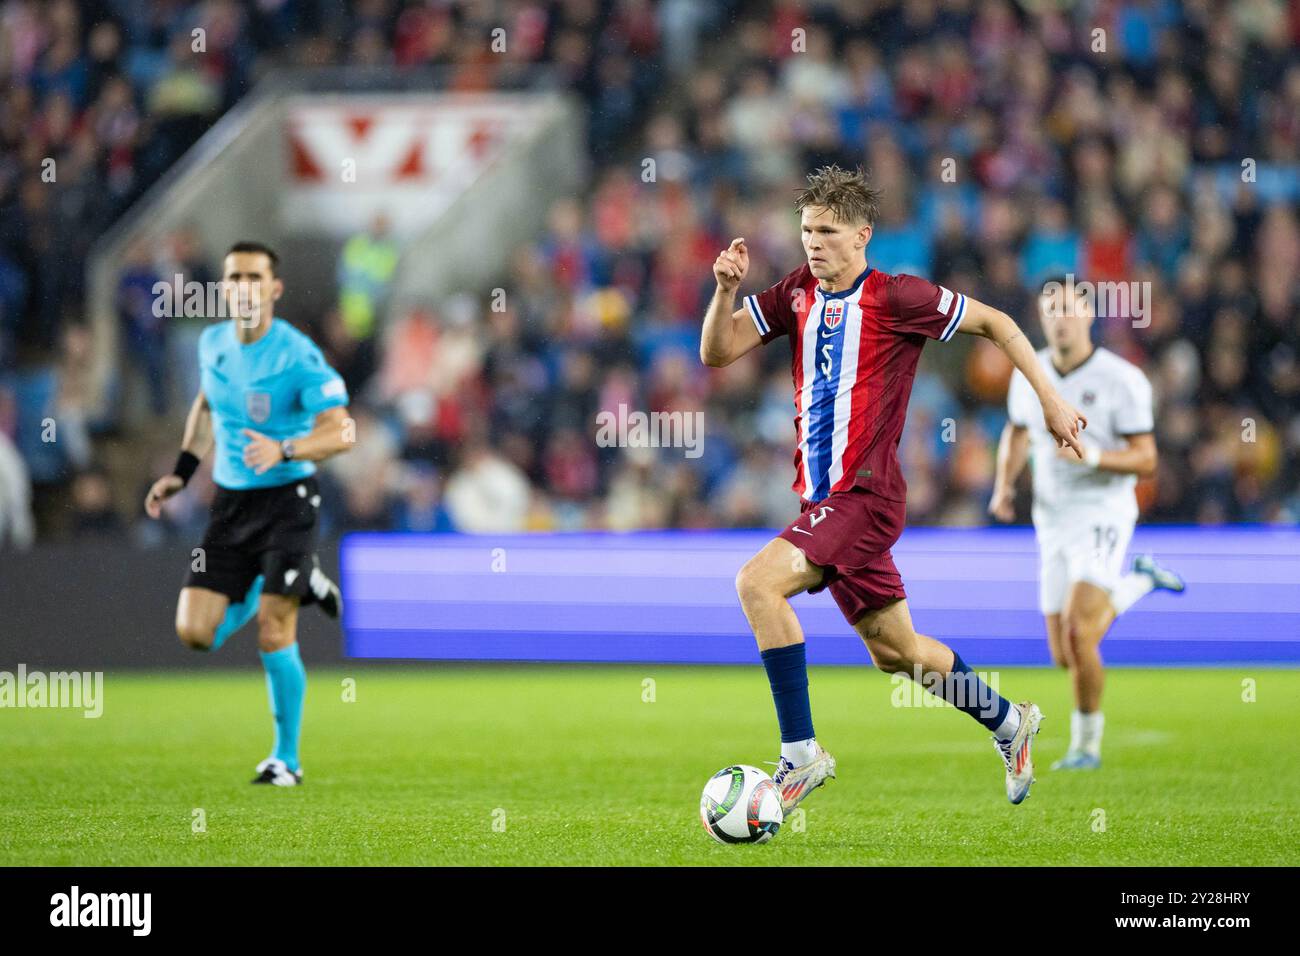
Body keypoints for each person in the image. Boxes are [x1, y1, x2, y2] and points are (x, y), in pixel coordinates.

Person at [700, 165, 1087, 809]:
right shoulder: (796, 291)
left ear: (863, 236)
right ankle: (1009, 721)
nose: (813, 243)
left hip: (865, 497)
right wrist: (723, 292)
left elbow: (998, 324)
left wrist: (1049, 399)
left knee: (757, 582)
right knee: (897, 653)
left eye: (827, 231)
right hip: (823, 503)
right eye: (805, 230)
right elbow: (718, 352)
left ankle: (800, 755)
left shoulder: (899, 297)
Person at [144, 241, 351, 786]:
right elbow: (207, 405)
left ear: (273, 289)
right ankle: (296, 579)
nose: (244, 287)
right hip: (231, 505)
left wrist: (285, 450)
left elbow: (342, 430)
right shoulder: (212, 343)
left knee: (273, 630)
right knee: (195, 633)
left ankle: (287, 759)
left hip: (288, 499)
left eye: (255, 278)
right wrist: (183, 472)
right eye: (234, 277)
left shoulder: (298, 356)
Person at [989, 279, 1184, 770]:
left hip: (1103, 513)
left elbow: (1147, 459)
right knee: (1062, 652)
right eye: (1050, 308)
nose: (1059, 317)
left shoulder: (1123, 379)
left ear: (1089, 314)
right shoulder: (1027, 374)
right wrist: (1004, 487)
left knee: (1079, 633)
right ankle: (1142, 578)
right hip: (1051, 519)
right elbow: (1016, 432)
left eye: (1069, 307)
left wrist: (1093, 455)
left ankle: (1086, 747)